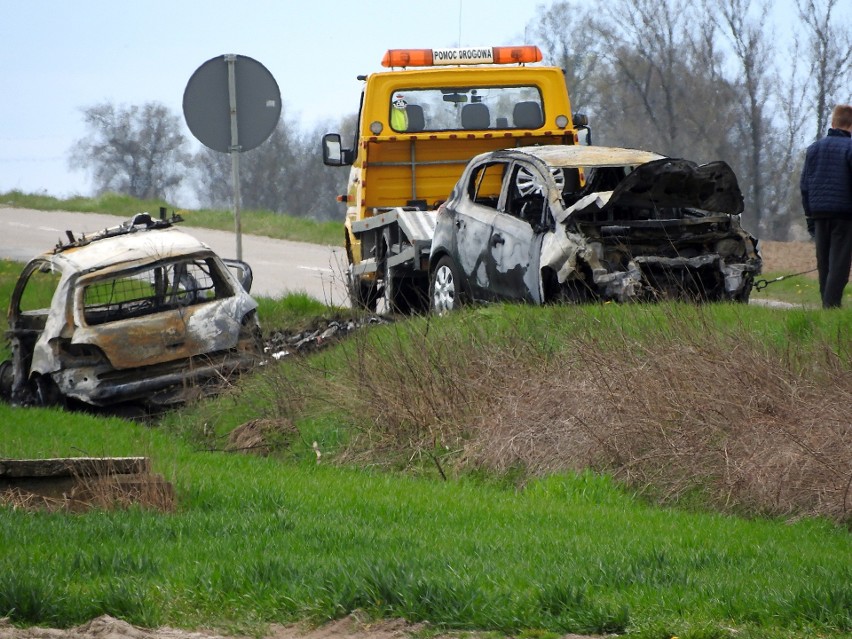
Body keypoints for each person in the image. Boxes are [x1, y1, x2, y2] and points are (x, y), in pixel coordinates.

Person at [800, 104, 852, 308]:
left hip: (819, 213)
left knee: (824, 262)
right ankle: (830, 307)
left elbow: (804, 185)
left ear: (833, 123)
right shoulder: (849, 148)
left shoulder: (813, 149)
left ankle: (827, 304)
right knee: (839, 263)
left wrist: (809, 215)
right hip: (844, 214)